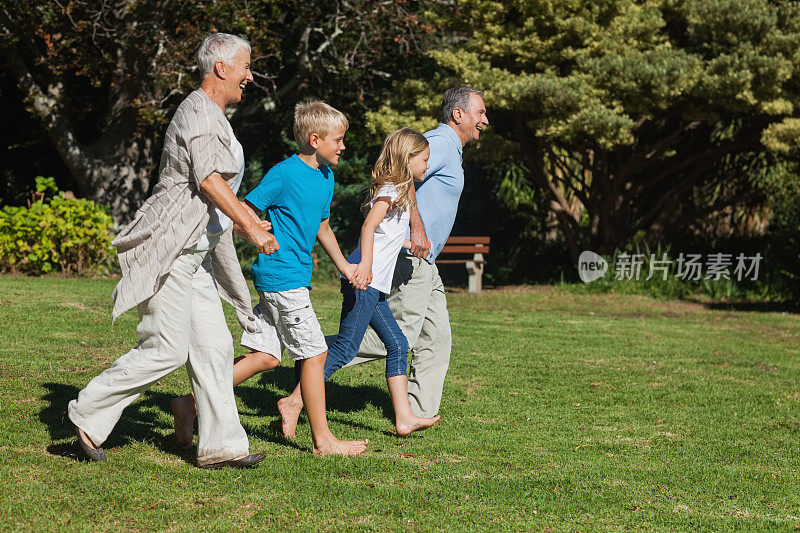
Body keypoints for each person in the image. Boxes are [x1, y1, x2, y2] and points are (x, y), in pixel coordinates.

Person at [67, 33, 277, 469]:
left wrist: (243, 222)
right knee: (165, 348)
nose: (249, 75)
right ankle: (88, 413)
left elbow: (214, 190)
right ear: (221, 67)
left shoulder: (216, 116)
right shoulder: (198, 111)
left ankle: (221, 446)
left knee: (215, 349)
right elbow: (208, 180)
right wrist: (249, 227)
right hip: (170, 252)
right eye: (245, 67)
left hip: (195, 257)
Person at [171, 99, 369, 456]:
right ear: (314, 139)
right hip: (282, 278)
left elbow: (322, 225)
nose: (343, 146)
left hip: (290, 279)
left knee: (267, 356)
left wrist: (344, 265)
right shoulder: (283, 173)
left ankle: (189, 403)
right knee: (315, 354)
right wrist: (254, 229)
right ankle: (323, 441)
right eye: (338, 139)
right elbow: (243, 209)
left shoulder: (326, 177)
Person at [295, 87, 489, 422]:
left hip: (423, 261)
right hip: (409, 261)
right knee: (388, 338)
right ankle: (313, 360)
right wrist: (417, 227)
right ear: (458, 115)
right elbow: (406, 174)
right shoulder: (440, 143)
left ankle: (413, 412)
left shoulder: (450, 149)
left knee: (436, 337)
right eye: (480, 112)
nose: (485, 120)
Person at [279, 128, 441, 436]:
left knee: (397, 344)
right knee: (345, 349)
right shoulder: (393, 189)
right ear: (407, 159)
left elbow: (385, 236)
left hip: (374, 283)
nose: (427, 166)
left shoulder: (401, 190)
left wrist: (409, 245)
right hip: (364, 280)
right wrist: (365, 265)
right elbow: (369, 226)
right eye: (424, 160)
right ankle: (294, 401)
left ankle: (404, 418)